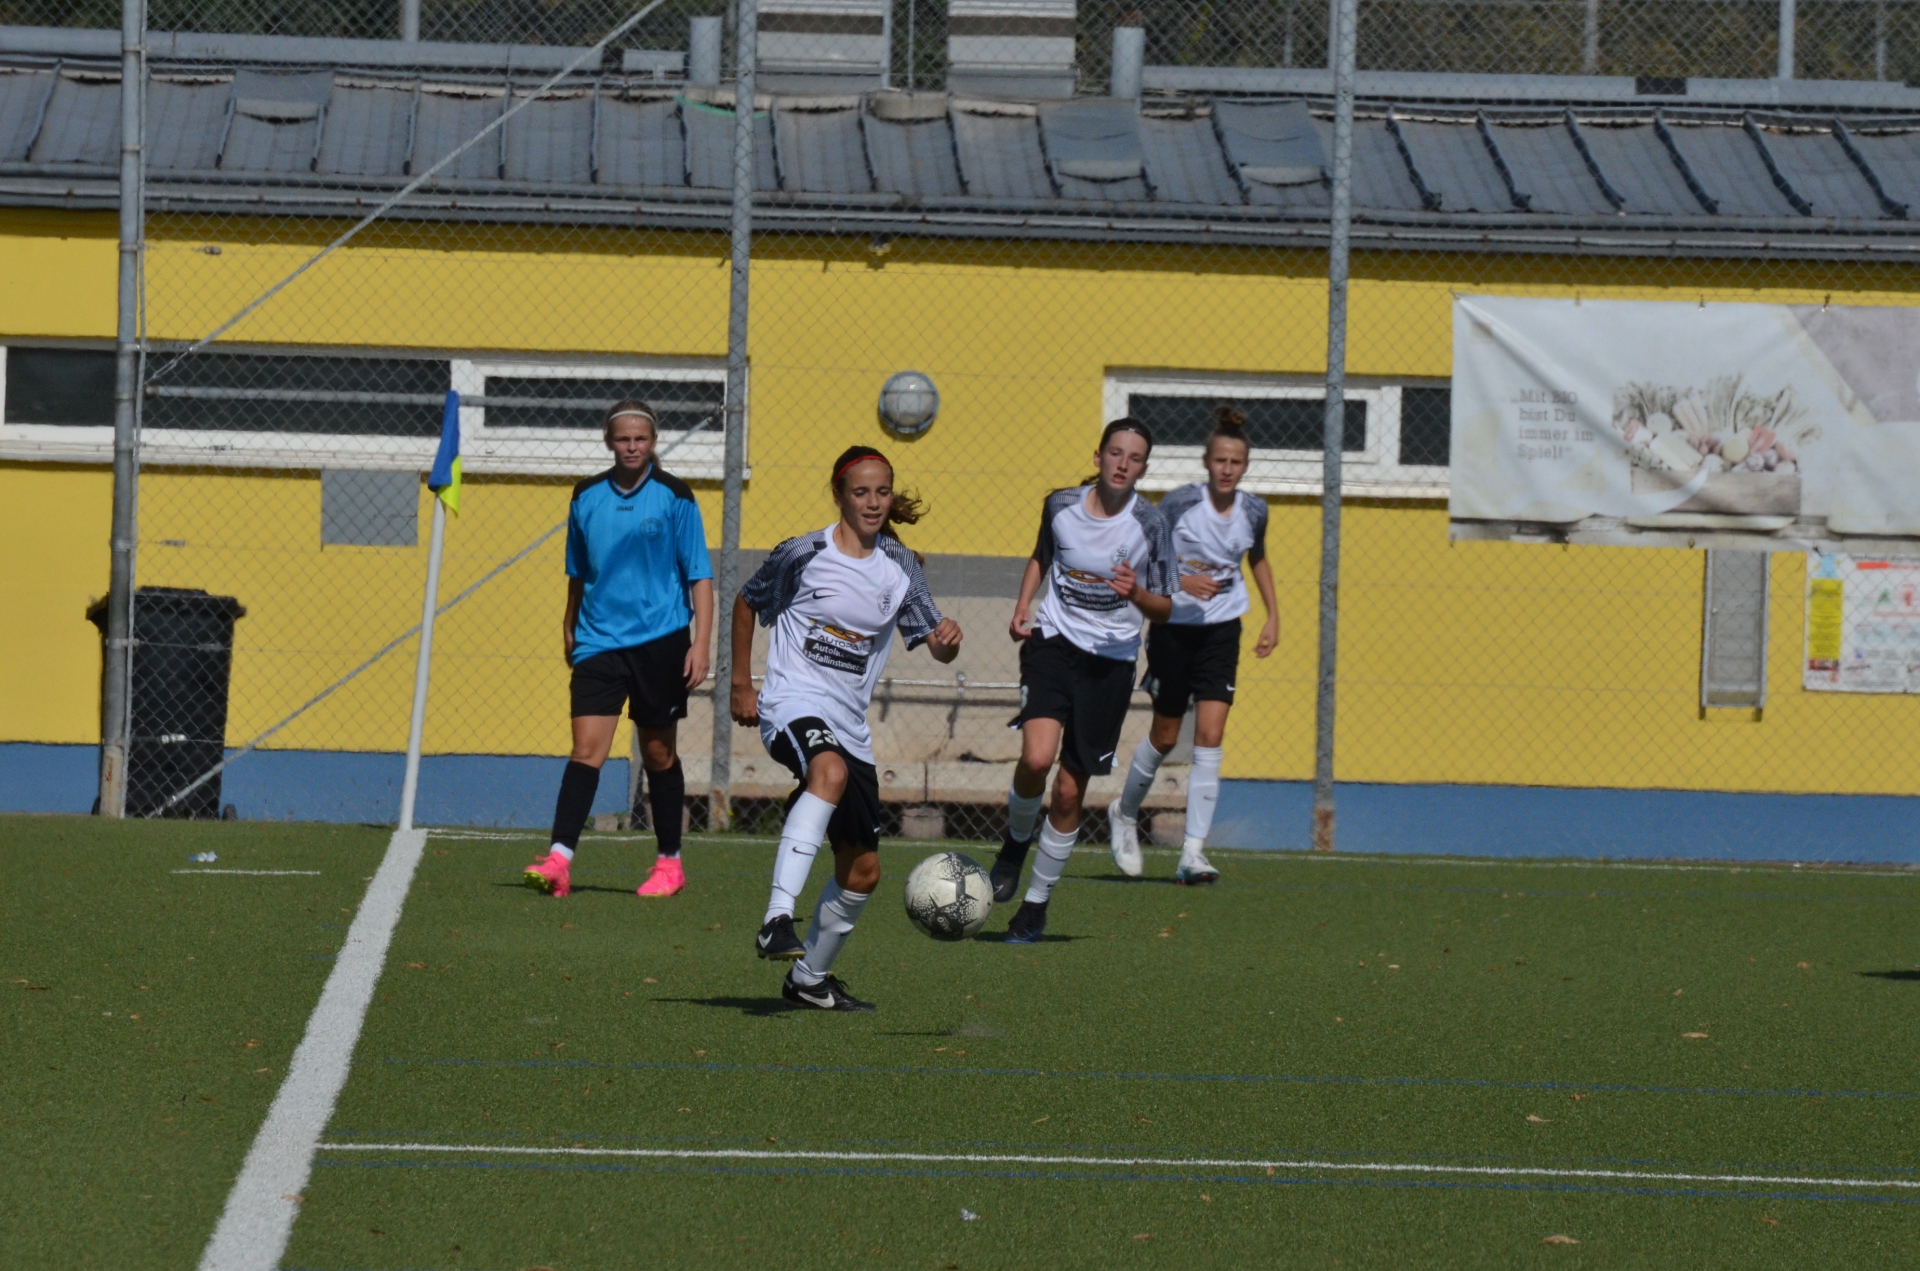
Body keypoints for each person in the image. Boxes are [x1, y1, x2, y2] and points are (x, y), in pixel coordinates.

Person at [733, 445, 963, 1011]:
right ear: (839, 495)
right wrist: (740, 684)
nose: (873, 502)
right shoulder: (803, 553)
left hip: (849, 726)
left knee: (862, 872)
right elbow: (746, 602)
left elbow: (933, 643)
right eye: (861, 492)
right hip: (792, 703)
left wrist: (946, 642)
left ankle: (809, 980)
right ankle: (776, 919)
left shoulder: (899, 564)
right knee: (828, 772)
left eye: (882, 492)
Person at [991, 419, 1175, 943]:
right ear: (1098, 456)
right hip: (1053, 643)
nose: (1122, 464)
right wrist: (1023, 604)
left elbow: (1165, 607)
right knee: (1036, 759)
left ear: (1143, 468)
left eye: (1134, 458)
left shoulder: (1151, 524)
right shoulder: (1061, 505)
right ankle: (1014, 846)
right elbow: (1042, 556)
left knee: (1070, 793)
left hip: (1109, 665)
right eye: (1115, 453)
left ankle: (1035, 905)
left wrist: (1136, 594)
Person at [522, 401, 713, 900]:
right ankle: (559, 859)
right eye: (623, 439)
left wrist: (701, 644)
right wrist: (569, 623)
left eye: (640, 439)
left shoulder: (675, 496)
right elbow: (578, 572)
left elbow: (699, 575)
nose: (632, 447)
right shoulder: (585, 496)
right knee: (587, 749)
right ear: (609, 442)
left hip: (661, 641)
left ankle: (669, 864)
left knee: (658, 752)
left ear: (653, 442)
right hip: (598, 641)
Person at [1109, 406, 1278, 884]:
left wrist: (1273, 616)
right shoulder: (1179, 504)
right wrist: (1184, 580)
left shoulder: (1254, 510)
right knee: (1166, 737)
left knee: (1210, 735)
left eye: (1236, 463)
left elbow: (1258, 558)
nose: (1227, 469)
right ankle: (1124, 813)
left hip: (1222, 631)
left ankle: (1193, 853)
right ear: (1206, 462)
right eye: (1220, 460)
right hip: (1173, 627)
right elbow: (1144, 555)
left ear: (1245, 467)